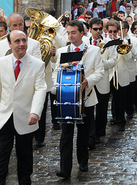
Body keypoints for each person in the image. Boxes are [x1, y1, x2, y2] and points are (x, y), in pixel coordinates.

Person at [0, 30, 47, 184]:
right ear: (10, 44)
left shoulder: (37, 64)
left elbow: (40, 89)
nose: (21, 44)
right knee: (1, 156)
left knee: (25, 156)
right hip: (4, 116)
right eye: (17, 41)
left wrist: (35, 112)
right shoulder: (1, 63)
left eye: (24, 40)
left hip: (26, 117)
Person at [52, 20, 104, 179]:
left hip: (86, 97)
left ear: (82, 33)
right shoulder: (62, 51)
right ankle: (64, 168)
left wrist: (87, 81)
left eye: (73, 32)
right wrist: (58, 86)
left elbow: (99, 72)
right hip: (67, 97)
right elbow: (56, 72)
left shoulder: (94, 51)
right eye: (68, 33)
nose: (70, 35)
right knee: (66, 134)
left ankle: (83, 161)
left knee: (83, 132)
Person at [87, 18, 117, 144]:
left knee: (101, 109)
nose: (98, 31)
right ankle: (90, 136)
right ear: (90, 29)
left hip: (102, 80)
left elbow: (114, 61)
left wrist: (101, 63)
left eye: (100, 29)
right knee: (88, 110)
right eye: (95, 29)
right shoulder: (84, 41)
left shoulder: (109, 42)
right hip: (88, 80)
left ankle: (100, 132)